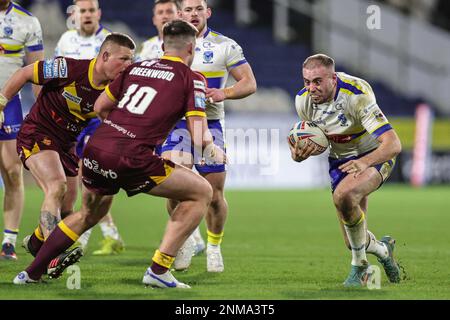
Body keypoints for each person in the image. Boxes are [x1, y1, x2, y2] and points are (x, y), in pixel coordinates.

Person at [13, 19, 225, 288]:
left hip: (97, 149)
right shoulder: (192, 78)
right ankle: (159, 269)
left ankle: (30, 273)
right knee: (202, 192)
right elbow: (198, 134)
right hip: (133, 156)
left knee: (89, 214)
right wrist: (212, 149)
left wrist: (118, 131)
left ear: (162, 46)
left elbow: (101, 106)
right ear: (191, 49)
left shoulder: (136, 67)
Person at [0, 33, 135, 277]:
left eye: (131, 61)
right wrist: (1, 103)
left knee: (67, 209)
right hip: (37, 133)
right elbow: (24, 73)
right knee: (56, 185)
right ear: (105, 56)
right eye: (123, 59)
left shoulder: (116, 91)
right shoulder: (67, 68)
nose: (128, 65)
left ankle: (36, 242)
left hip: (67, 145)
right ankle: (50, 257)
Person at [290, 53, 402, 287]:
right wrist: (299, 154)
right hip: (339, 162)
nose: (311, 88)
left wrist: (364, 162)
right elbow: (314, 140)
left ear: (333, 78)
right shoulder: (303, 101)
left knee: (344, 195)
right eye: (307, 82)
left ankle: (360, 270)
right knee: (352, 242)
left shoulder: (357, 95)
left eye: (317, 81)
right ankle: (383, 250)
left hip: (374, 157)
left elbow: (393, 144)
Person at [162, 0, 256, 272]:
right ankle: (187, 239)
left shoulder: (225, 45)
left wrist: (222, 93)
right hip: (177, 124)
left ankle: (214, 246)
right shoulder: (170, 44)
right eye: (188, 10)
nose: (193, 14)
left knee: (214, 195)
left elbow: (249, 83)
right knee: (174, 187)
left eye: (198, 9)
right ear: (180, 14)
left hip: (210, 123)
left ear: (207, 12)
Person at [137, 0, 207, 265]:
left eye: (169, 12)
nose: (165, 16)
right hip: (168, 125)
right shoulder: (146, 51)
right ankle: (180, 246)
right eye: (161, 13)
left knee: (198, 188)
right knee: (186, 186)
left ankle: (188, 242)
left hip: (194, 118)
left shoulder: (210, 44)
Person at [54, 0, 125, 256]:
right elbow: (57, 76)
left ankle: (88, 234)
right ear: (74, 14)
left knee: (92, 173)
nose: (87, 15)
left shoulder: (110, 41)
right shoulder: (65, 40)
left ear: (99, 13)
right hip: (72, 116)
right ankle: (106, 233)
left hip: (99, 116)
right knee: (79, 177)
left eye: (91, 10)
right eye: (82, 11)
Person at [0, 0, 44, 260]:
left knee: (13, 171)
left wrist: (42, 114)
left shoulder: (28, 21)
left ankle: (8, 241)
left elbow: (37, 73)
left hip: (10, 104)